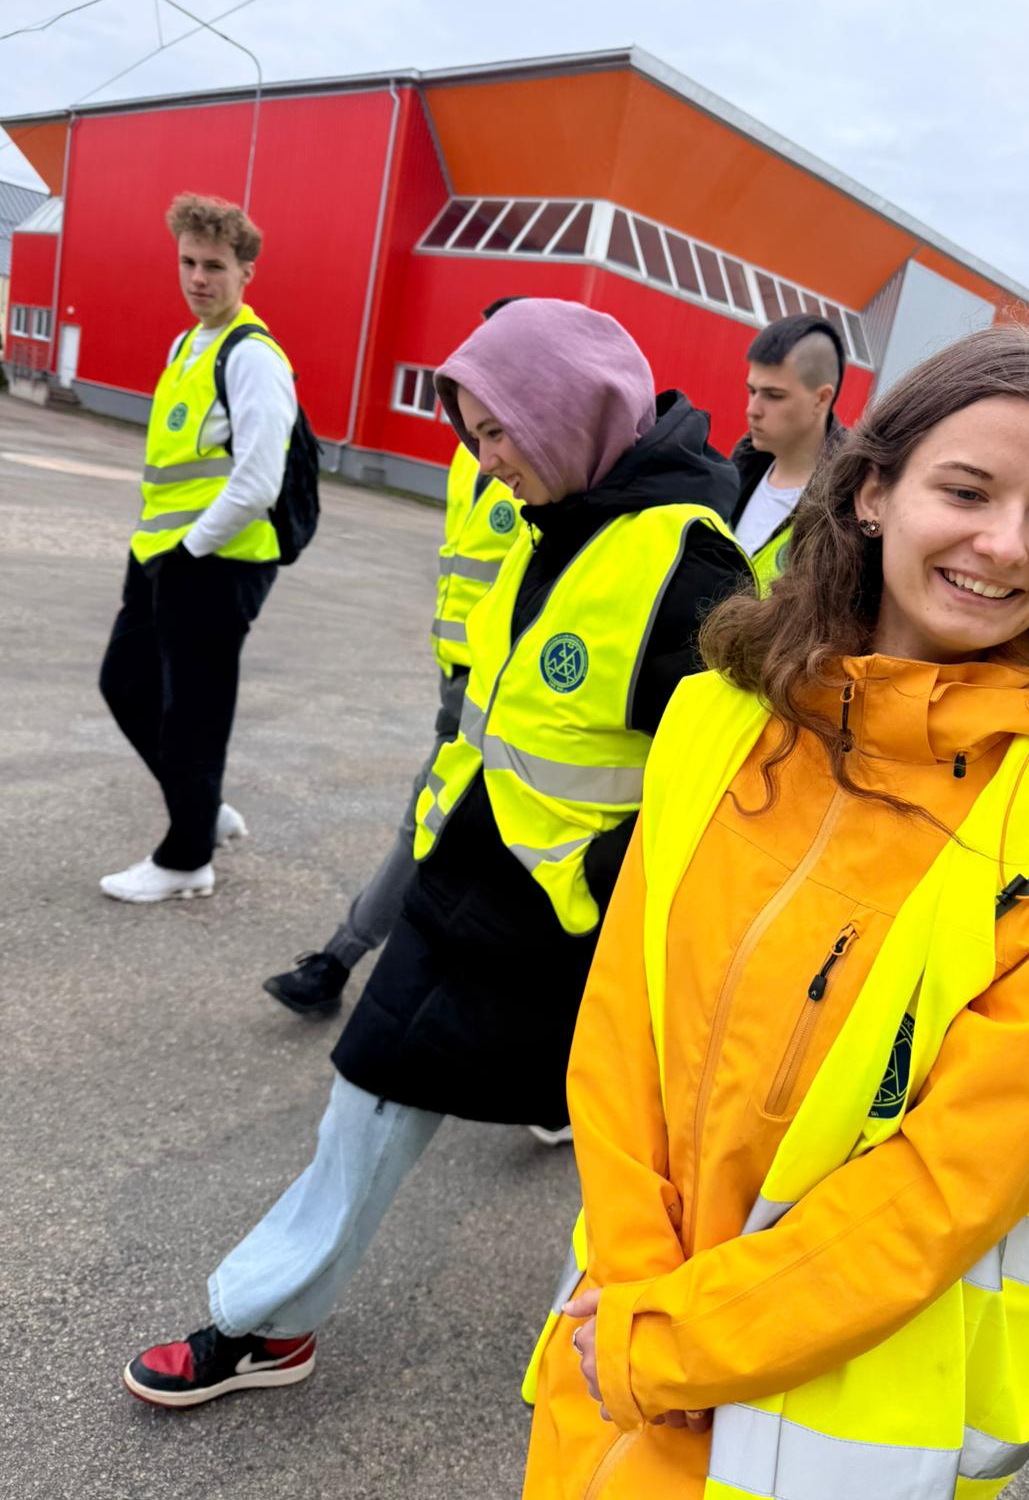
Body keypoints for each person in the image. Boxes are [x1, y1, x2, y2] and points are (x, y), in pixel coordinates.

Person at [522, 326, 1029, 1499]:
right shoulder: (716, 718)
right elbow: (622, 1024)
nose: (1005, 543)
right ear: (875, 491)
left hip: (815, 1432)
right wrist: (634, 1294)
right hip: (614, 1362)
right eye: (968, 490)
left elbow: (944, 1188)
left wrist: (677, 1343)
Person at [123, 297, 747, 1408]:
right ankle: (268, 1322)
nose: (485, 460)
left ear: (567, 415)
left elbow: (731, 785)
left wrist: (605, 885)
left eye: (498, 432)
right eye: (474, 434)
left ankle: (611, 1374)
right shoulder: (554, 523)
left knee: (627, 1165)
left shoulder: (691, 571)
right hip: (466, 894)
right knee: (367, 1093)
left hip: (579, 937)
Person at [263, 346, 524, 1016]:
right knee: (445, 826)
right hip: (458, 670)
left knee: (428, 820)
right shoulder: (475, 455)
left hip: (499, 682)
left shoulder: (537, 464)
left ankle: (339, 959)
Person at [98, 192, 297, 902]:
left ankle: (186, 859)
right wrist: (162, 552)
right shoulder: (187, 346)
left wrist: (188, 552)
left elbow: (259, 481)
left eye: (214, 265)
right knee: (125, 683)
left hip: (215, 563)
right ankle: (202, 810)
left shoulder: (253, 358)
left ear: (246, 272)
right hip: (161, 554)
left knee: (194, 714)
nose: (198, 278)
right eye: (187, 262)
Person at [730, 314, 844, 590]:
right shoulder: (737, 471)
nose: (752, 410)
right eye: (752, 391)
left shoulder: (845, 509)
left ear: (821, 399)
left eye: (774, 395)